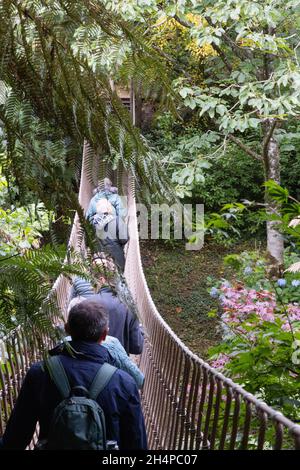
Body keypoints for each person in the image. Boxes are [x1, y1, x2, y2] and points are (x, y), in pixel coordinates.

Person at [0, 300, 147, 450]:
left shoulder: (40, 373)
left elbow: (16, 436)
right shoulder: (123, 382)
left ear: (66, 329)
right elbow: (136, 442)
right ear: (104, 335)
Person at [70, 275, 144, 355]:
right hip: (117, 364)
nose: (90, 286)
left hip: (90, 361)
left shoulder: (85, 306)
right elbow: (137, 348)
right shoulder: (128, 305)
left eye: (92, 281)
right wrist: (140, 329)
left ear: (102, 280)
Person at [92, 198, 128, 271]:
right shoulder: (117, 220)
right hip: (117, 260)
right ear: (109, 208)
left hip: (100, 261)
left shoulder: (94, 223)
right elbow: (124, 239)